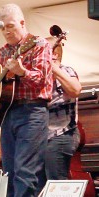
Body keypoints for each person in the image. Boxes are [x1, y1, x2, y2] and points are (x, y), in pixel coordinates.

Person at [0, 4, 53, 197]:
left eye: (10, 26)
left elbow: (42, 79)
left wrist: (22, 72)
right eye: (2, 27)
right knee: (9, 171)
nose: (6, 31)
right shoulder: (0, 53)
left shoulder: (39, 44)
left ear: (22, 22)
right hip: (7, 114)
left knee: (26, 172)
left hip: (32, 112)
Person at [44, 36, 81, 181]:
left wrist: (53, 68)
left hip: (62, 134)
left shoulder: (66, 71)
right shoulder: (39, 76)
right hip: (44, 138)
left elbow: (75, 89)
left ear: (54, 54)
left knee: (56, 183)